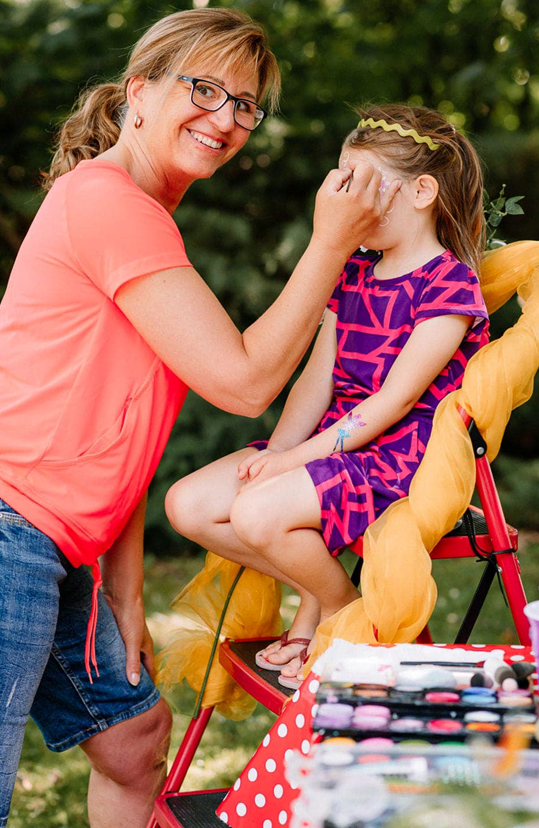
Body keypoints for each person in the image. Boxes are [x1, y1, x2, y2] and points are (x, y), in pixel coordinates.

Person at [0, 8, 389, 828]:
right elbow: (246, 382)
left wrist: (124, 590)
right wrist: (330, 245)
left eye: (245, 104)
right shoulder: (108, 203)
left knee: (135, 739)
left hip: (51, 538)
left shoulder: (147, 218)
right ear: (140, 94)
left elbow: (127, 431)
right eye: (204, 88)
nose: (225, 118)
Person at [166, 103, 490, 688]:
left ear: (421, 192)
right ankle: (335, 598)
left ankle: (338, 620)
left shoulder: (450, 286)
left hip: (397, 457)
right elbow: (317, 382)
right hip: (331, 446)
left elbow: (390, 404)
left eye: (360, 185)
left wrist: (289, 464)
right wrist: (277, 455)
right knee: (188, 504)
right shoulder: (354, 273)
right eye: (340, 184)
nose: (345, 203)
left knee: (258, 512)